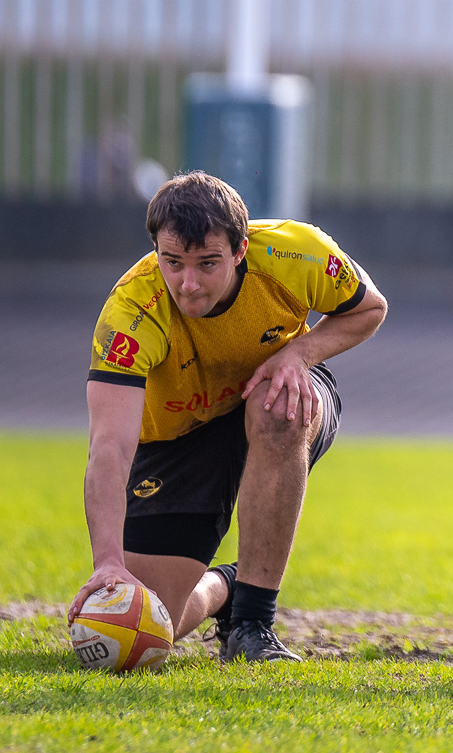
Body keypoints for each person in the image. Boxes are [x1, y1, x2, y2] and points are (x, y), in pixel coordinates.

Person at [67, 172, 386, 663]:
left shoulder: (296, 253)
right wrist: (107, 563)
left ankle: (253, 624)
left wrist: (298, 354)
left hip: (277, 393)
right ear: (156, 250)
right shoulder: (130, 313)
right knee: (151, 623)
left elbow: (369, 307)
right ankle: (230, 586)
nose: (188, 283)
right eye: (172, 262)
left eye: (207, 263)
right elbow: (109, 446)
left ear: (240, 250)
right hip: (179, 436)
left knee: (276, 408)